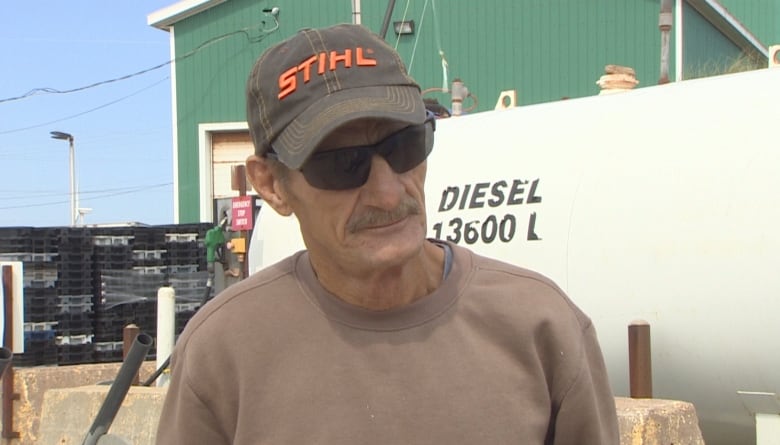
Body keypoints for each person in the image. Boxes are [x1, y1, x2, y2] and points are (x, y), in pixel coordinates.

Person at [156, 23, 619, 445]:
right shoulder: (223, 353)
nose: (387, 191)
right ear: (272, 185)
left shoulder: (544, 329)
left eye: (403, 145)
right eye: (341, 163)